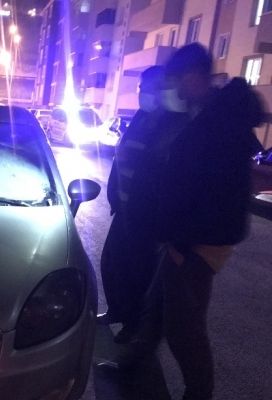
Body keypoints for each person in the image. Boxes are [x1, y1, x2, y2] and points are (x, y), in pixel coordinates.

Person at [131, 43, 264, 400]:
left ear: (193, 77)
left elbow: (214, 192)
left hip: (198, 242)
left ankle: (198, 394)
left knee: (184, 327)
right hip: (186, 237)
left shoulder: (220, 123)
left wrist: (180, 242)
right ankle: (136, 364)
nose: (174, 90)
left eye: (176, 81)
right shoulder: (206, 115)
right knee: (157, 306)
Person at [99, 66, 188, 343]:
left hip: (145, 214)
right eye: (140, 87)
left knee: (136, 272)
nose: (141, 92)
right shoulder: (142, 117)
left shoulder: (170, 124)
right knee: (111, 263)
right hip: (125, 209)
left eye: (146, 87)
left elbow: (164, 171)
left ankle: (133, 326)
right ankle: (117, 310)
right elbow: (123, 154)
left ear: (160, 90)